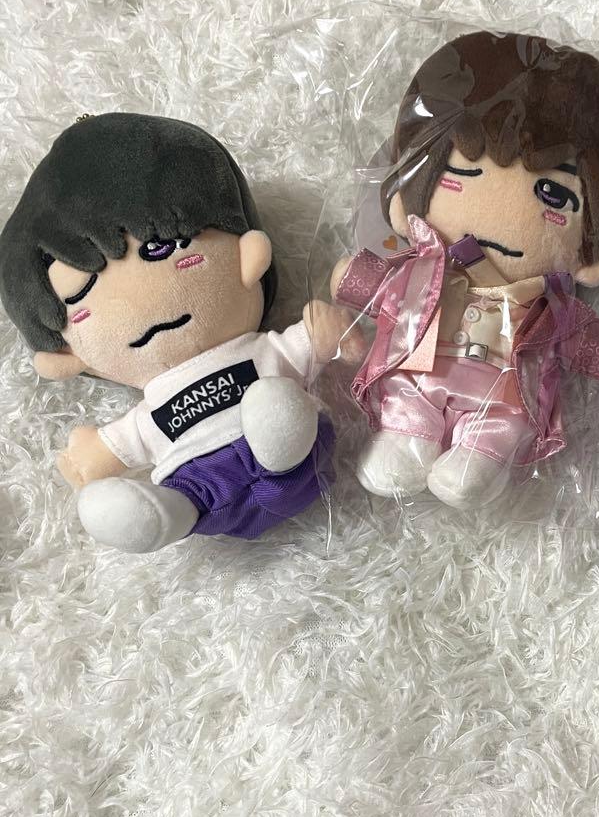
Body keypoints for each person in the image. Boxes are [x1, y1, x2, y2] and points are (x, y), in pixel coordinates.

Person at [0, 113, 351, 552]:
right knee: (263, 410)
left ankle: (276, 454)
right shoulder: (151, 407)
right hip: (201, 492)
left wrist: (325, 334)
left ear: (249, 255)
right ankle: (167, 515)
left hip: (298, 461)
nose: (136, 302)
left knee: (274, 403)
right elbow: (130, 439)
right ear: (66, 356)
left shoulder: (260, 351)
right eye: (81, 292)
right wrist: (95, 456)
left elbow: (305, 346)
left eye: (161, 249)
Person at [331, 31, 599, 508]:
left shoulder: (547, 308)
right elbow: (378, 285)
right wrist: (354, 278)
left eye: (554, 196)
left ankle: (480, 456)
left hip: (500, 402)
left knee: (499, 428)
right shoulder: (422, 274)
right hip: (415, 381)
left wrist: (598, 346)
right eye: (461, 174)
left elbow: (583, 341)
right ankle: (405, 436)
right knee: (407, 403)